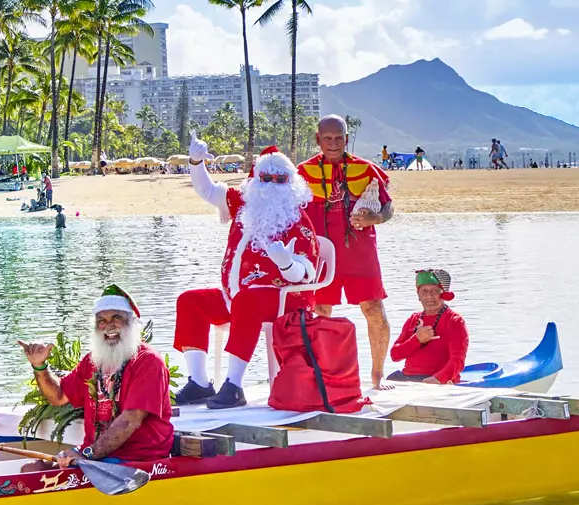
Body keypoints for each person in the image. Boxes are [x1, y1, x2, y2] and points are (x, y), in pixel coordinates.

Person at [171, 138, 325, 409]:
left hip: (284, 300)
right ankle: (199, 383)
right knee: (190, 300)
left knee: (247, 302)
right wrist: (196, 163)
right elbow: (207, 190)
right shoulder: (244, 205)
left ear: (291, 183)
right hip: (237, 295)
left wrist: (286, 263)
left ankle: (234, 385)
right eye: (266, 178)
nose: (272, 185)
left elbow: (305, 275)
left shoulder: (298, 220)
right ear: (256, 178)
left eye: (280, 179)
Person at [20, 286, 176, 467]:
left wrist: (88, 454)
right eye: (101, 320)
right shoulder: (92, 361)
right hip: (97, 456)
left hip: (137, 460)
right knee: (32, 469)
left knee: (39, 477)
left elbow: (130, 420)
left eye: (116, 318)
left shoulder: (148, 361)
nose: (108, 325)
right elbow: (59, 397)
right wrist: (39, 366)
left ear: (131, 323)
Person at [299, 115, 397, 382]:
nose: (333, 143)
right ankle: (321, 376)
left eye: (338, 138)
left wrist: (375, 218)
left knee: (374, 310)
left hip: (360, 253)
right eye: (327, 138)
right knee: (320, 312)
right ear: (318, 139)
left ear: (346, 138)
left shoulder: (366, 169)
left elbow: (388, 206)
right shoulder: (301, 173)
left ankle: (378, 374)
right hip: (321, 255)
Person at [386, 269, 468, 384]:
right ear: (418, 295)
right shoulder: (413, 319)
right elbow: (395, 355)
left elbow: (458, 360)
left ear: (443, 294)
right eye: (424, 291)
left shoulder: (455, 321)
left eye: (434, 291)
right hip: (408, 378)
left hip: (435, 379)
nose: (429, 296)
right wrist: (417, 339)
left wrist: (437, 379)